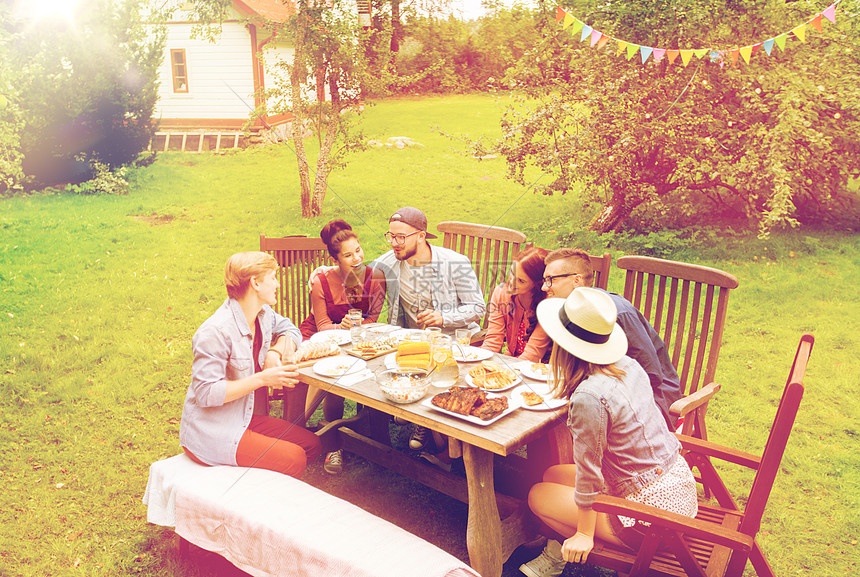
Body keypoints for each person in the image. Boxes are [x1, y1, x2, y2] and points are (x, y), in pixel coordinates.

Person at [519, 288, 698, 577]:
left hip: (652, 524)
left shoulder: (589, 396)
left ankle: (573, 550)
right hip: (677, 492)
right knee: (552, 474)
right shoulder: (627, 365)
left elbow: (589, 475)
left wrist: (584, 534)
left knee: (538, 495)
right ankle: (560, 548)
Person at [179, 252, 321, 478]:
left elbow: (291, 330)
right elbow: (206, 393)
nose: (278, 284)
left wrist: (275, 350)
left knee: (312, 445)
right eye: (273, 277)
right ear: (255, 283)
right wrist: (263, 378)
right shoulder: (214, 332)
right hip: (213, 430)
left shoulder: (263, 314)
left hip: (243, 417)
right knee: (294, 458)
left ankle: (255, 476)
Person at [373, 207, 486, 450]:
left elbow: (478, 307)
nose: (394, 243)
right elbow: (356, 275)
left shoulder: (455, 263)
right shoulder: (387, 263)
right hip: (412, 341)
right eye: (391, 236)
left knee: (439, 364)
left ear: (422, 235)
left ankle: (425, 423)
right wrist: (322, 273)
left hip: (453, 340)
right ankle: (410, 410)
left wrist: (443, 317)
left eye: (401, 237)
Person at [542, 248, 682, 430]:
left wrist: (594, 394)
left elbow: (652, 375)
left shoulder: (616, 313)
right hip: (600, 391)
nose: (545, 287)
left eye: (551, 279)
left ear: (576, 280)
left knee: (568, 417)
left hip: (651, 404)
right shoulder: (573, 311)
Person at [299, 219, 385, 474]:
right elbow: (322, 323)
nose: (356, 257)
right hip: (319, 336)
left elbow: (372, 319)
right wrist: (342, 328)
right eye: (348, 255)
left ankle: (375, 436)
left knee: (373, 363)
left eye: (358, 250)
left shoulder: (376, 277)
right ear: (336, 258)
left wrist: (354, 329)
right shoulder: (321, 281)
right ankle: (331, 443)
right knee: (333, 374)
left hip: (358, 335)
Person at [480, 246, 552, 363]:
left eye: (521, 281)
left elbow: (533, 354)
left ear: (537, 284)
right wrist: (480, 361)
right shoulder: (501, 293)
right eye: (512, 273)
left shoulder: (547, 305)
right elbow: (493, 339)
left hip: (538, 369)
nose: (512, 282)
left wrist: (505, 370)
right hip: (510, 360)